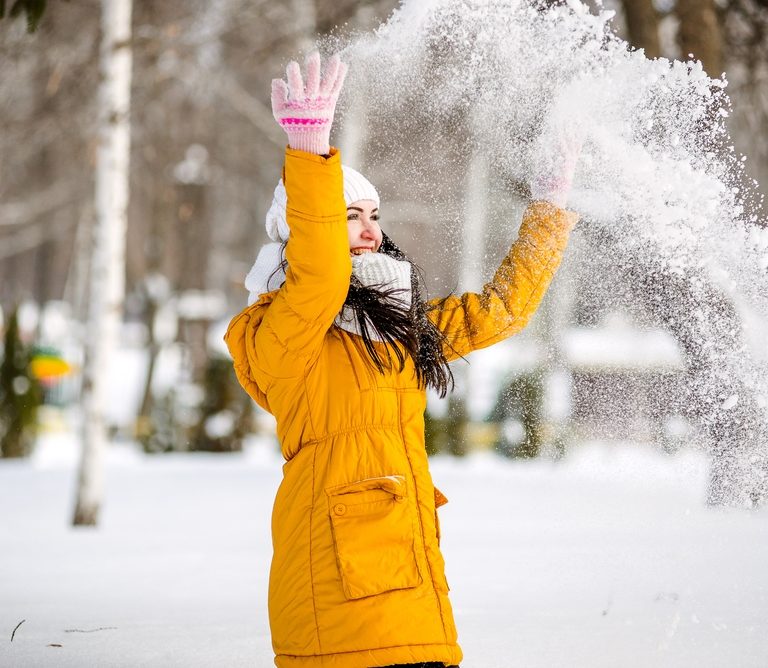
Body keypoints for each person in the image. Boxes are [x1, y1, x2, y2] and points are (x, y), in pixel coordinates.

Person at [224, 51, 579, 668]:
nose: (368, 230)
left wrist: (548, 208)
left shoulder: (394, 328)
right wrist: (309, 155)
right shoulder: (279, 331)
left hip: (406, 572)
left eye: (373, 216)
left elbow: (501, 310)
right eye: (347, 216)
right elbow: (320, 278)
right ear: (302, 231)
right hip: (334, 580)